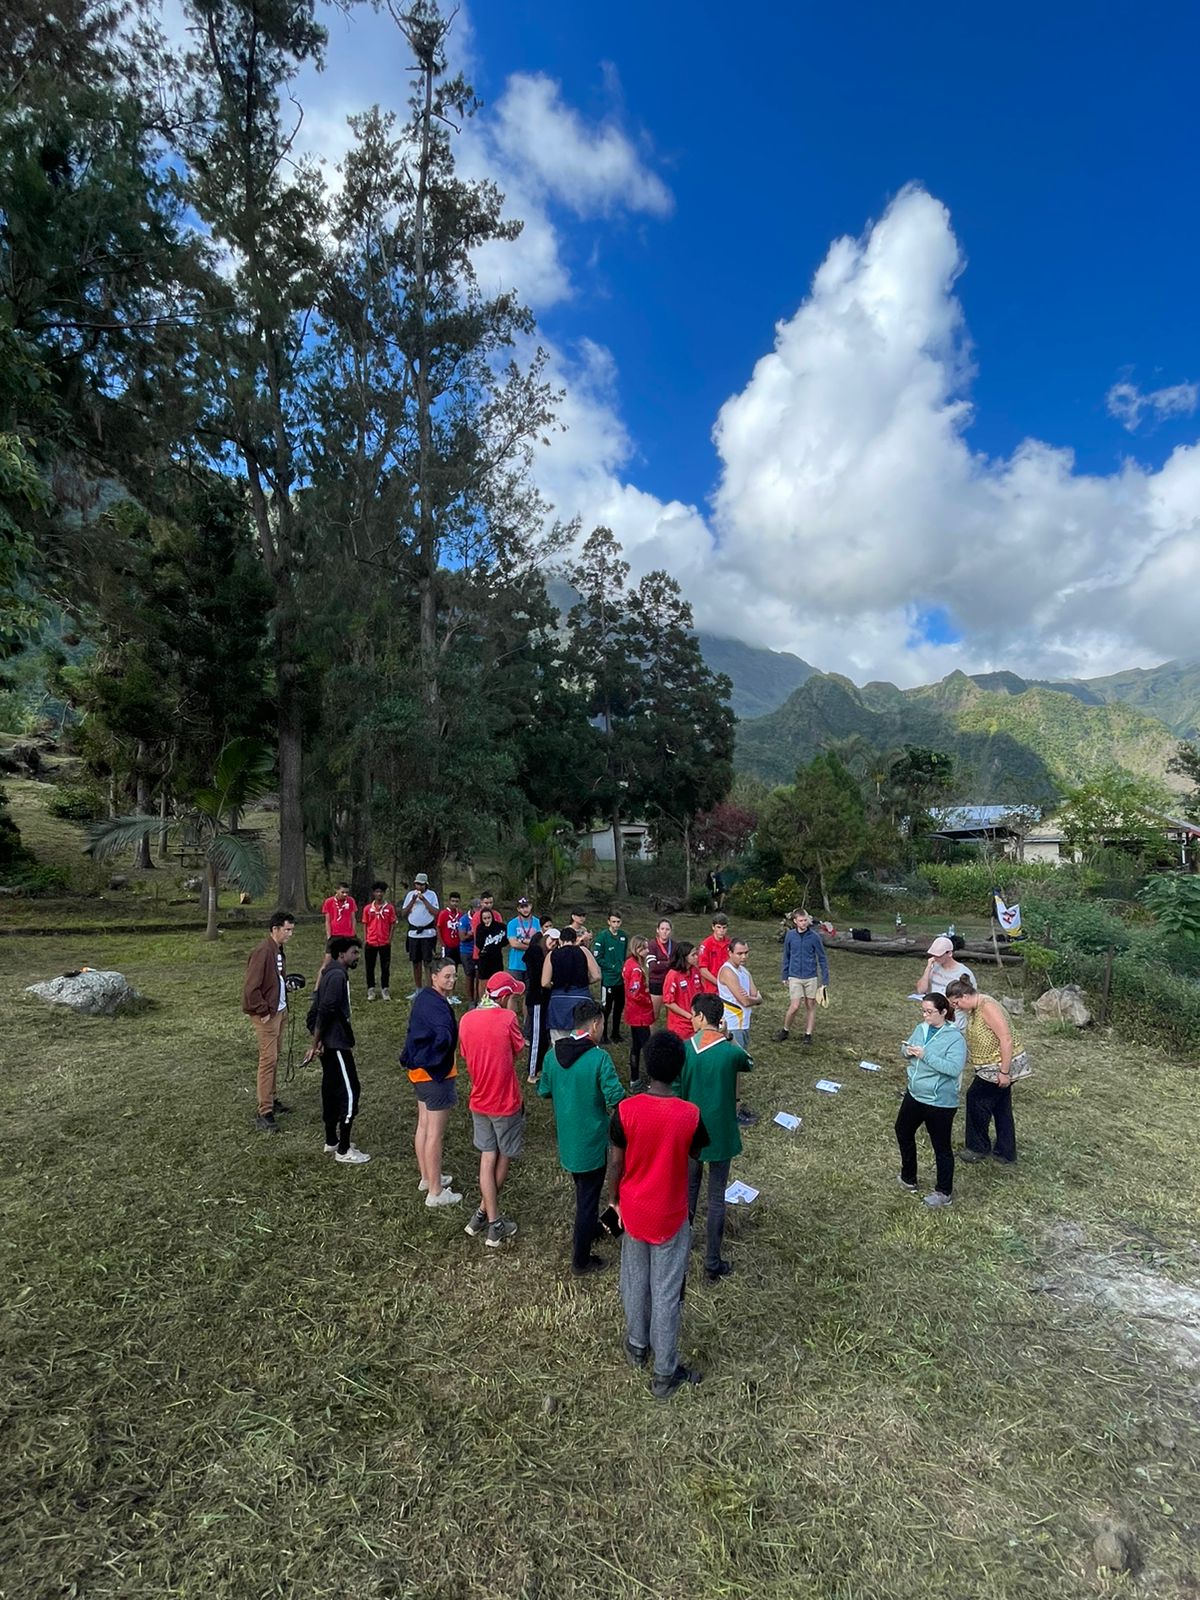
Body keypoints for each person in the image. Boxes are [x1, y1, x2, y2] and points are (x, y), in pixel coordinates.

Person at [606, 1032, 708, 1399]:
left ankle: (637, 1344)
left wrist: (614, 1198)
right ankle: (665, 1372)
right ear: (679, 1069)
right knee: (666, 1293)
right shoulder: (690, 1114)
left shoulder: (625, 1110)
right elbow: (696, 1153)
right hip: (670, 1214)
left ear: (646, 1067)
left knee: (635, 1280)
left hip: (633, 1211)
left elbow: (616, 1162)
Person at [538, 998, 626, 1275]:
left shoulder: (553, 1055)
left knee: (583, 1191)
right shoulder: (599, 1058)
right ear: (596, 1024)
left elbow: (544, 1090)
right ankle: (581, 1259)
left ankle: (589, 1231)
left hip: (568, 1141)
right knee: (587, 1200)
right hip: (592, 1142)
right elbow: (616, 1099)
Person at [680, 994, 753, 1281]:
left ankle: (680, 1253)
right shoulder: (729, 1052)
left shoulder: (686, 1050)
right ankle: (712, 1262)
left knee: (688, 1195)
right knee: (716, 1198)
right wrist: (729, 1037)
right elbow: (748, 1062)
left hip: (690, 1133)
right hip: (721, 1135)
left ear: (699, 1017)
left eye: (692, 1014)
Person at [458, 971, 526, 1248]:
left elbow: (464, 1053)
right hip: (505, 1100)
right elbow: (518, 1050)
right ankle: (493, 1223)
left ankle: (482, 1215)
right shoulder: (508, 1018)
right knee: (505, 1154)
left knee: (487, 1157)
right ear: (507, 997)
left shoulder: (466, 1018)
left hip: (479, 1098)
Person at [400, 958, 462, 1208]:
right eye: (446, 976)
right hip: (435, 1075)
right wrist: (439, 1056)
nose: (452, 980)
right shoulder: (436, 1006)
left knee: (424, 1126)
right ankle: (436, 1192)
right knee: (435, 1133)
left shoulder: (425, 998)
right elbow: (443, 1035)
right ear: (433, 977)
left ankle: (428, 1177)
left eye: (454, 975)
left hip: (419, 1073)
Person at [945, 979, 1029, 1166]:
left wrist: (1004, 1072)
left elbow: (1006, 1038)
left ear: (965, 995)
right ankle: (1006, 1152)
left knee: (976, 1098)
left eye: (957, 1003)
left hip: (999, 1066)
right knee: (1001, 1107)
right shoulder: (976, 1007)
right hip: (991, 1066)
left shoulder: (987, 1007)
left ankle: (977, 1148)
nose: (957, 1008)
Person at [896, 993, 966, 1207]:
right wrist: (907, 1050)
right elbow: (906, 1048)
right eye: (923, 1011)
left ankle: (943, 1192)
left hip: (939, 1102)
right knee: (902, 1130)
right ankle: (909, 1178)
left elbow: (954, 1069)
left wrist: (925, 1055)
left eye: (930, 1012)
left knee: (941, 1146)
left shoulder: (955, 1038)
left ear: (944, 1012)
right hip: (915, 1094)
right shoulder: (921, 1028)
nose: (925, 1015)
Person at [307, 936, 369, 1163]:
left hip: (330, 1040)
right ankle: (344, 1149)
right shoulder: (336, 976)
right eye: (354, 952)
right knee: (351, 1091)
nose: (357, 957)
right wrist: (317, 1041)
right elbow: (324, 1009)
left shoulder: (330, 972)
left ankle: (331, 1140)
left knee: (331, 1088)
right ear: (341, 954)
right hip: (336, 1044)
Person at [241, 910, 296, 1133]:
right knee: (268, 1060)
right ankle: (264, 1110)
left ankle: (272, 1099)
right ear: (275, 929)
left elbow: (276, 978)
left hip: (279, 1010)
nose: (290, 934)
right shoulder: (263, 951)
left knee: (275, 1057)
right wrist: (263, 1010)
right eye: (287, 930)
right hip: (268, 1015)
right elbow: (250, 988)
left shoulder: (277, 950)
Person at [776, 908, 830, 1045]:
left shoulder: (814, 937)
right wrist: (784, 975)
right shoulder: (790, 936)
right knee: (794, 1006)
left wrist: (825, 979)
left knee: (810, 1005)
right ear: (795, 921)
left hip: (810, 976)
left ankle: (808, 1034)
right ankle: (785, 1030)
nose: (804, 923)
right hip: (794, 975)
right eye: (801, 920)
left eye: (805, 920)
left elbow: (822, 958)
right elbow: (786, 955)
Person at [543, 926, 601, 1042]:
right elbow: (597, 975)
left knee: (559, 1040)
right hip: (580, 998)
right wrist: (585, 981)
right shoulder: (583, 951)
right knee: (581, 1038)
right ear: (575, 940)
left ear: (560, 940)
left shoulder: (552, 955)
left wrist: (554, 986)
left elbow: (544, 982)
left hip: (559, 1001)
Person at [916, 937, 977, 1026]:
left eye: (939, 955)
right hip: (932, 1018)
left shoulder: (963, 973)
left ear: (949, 953)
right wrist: (928, 968)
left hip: (954, 1022)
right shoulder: (934, 967)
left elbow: (971, 1001)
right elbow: (921, 990)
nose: (935, 958)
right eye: (934, 955)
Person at [717, 937, 762, 1047]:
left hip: (744, 1024)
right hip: (732, 1025)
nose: (744, 957)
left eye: (746, 953)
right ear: (730, 953)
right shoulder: (728, 972)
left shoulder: (744, 971)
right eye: (740, 953)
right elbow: (745, 1001)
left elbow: (753, 994)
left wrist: (754, 999)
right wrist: (757, 1000)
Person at [400, 872, 440, 997]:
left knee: (428, 962)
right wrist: (412, 901)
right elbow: (403, 913)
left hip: (428, 934)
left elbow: (436, 912)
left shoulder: (432, 895)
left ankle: (429, 989)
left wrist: (424, 900)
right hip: (413, 934)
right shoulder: (410, 895)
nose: (419, 887)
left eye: (421, 885)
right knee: (415, 962)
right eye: (417, 884)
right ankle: (418, 989)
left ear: (426, 885)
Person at [622, 935, 655, 1085]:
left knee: (635, 1046)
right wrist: (647, 999)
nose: (648, 951)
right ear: (637, 949)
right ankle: (652, 1079)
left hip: (632, 1011)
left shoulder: (629, 963)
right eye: (645, 948)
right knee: (647, 1047)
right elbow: (634, 992)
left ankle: (634, 1078)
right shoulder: (636, 969)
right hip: (640, 1013)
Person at [593, 910, 629, 1044]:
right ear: (608, 921)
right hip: (608, 980)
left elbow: (624, 955)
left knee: (619, 1007)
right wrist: (612, 967)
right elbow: (597, 957)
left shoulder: (623, 936)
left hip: (621, 980)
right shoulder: (602, 937)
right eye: (613, 921)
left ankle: (616, 1033)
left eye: (618, 922)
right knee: (606, 1008)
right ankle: (603, 1034)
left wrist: (622, 968)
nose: (616, 924)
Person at [523, 929, 552, 1082]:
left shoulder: (548, 954)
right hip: (537, 1001)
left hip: (545, 1000)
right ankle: (532, 1072)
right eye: (551, 940)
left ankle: (539, 1067)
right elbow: (537, 979)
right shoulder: (535, 953)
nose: (553, 943)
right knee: (537, 1037)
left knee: (544, 1038)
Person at [361, 880, 397, 1002]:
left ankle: (385, 989)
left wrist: (389, 939)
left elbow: (393, 923)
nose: (379, 894)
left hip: (384, 942)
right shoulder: (367, 909)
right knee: (370, 967)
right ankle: (371, 989)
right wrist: (366, 938)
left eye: (381, 892)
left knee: (385, 967)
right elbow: (365, 924)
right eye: (377, 892)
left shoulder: (389, 908)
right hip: (371, 941)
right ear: (373, 893)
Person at [662, 943, 703, 1041]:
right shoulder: (673, 975)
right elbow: (668, 1002)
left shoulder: (695, 971)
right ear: (684, 957)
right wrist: (688, 1016)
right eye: (693, 955)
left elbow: (701, 993)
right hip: (680, 1026)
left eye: (696, 954)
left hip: (696, 1023)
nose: (697, 957)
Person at [435, 892, 466, 1004]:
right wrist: (442, 943)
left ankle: (452, 994)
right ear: (449, 901)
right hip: (447, 946)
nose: (454, 903)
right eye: (452, 901)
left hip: (458, 945)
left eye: (457, 901)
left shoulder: (461, 915)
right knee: (445, 969)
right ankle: (444, 994)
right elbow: (438, 928)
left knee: (454, 970)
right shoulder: (443, 914)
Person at [506, 896, 541, 982]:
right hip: (516, 964)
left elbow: (540, 942)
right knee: (516, 992)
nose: (525, 909)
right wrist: (532, 947)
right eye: (522, 907)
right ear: (518, 909)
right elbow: (514, 944)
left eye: (527, 906)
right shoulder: (512, 923)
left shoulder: (538, 923)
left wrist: (521, 942)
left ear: (531, 906)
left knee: (531, 992)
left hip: (533, 963)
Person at [647, 919, 674, 1022]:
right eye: (662, 929)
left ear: (670, 931)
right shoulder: (652, 944)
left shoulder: (674, 945)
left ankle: (670, 1037)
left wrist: (660, 963)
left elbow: (676, 965)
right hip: (656, 982)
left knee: (671, 1015)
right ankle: (651, 1037)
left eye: (667, 929)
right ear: (657, 930)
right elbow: (653, 966)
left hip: (671, 982)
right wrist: (668, 963)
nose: (665, 931)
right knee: (654, 1015)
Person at [696, 914, 731, 995]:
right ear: (713, 927)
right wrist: (719, 984)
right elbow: (703, 970)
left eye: (724, 928)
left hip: (728, 986)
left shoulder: (730, 943)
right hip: (711, 988)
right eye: (719, 927)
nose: (721, 930)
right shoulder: (706, 944)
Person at [473, 907, 509, 985]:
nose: (487, 920)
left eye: (489, 918)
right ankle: (482, 997)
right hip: (484, 958)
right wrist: (486, 929)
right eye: (484, 918)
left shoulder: (500, 926)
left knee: (497, 979)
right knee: (483, 980)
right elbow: (479, 943)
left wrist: (499, 944)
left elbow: (506, 939)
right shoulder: (480, 928)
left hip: (497, 957)